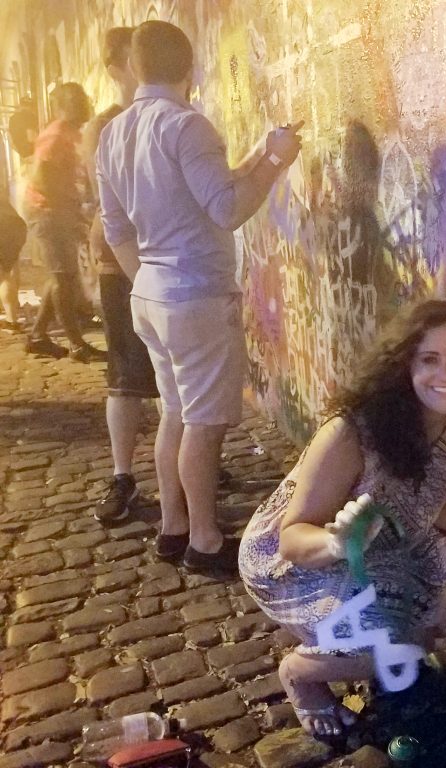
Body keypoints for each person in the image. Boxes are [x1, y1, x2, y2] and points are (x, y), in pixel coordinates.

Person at [239, 300, 446, 738]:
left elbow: (433, 508)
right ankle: (301, 673)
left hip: (389, 548)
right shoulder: (351, 431)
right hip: (299, 558)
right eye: (429, 359)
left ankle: (378, 649)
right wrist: (337, 541)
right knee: (390, 633)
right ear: (403, 365)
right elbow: (291, 539)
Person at [96, 21, 302, 573]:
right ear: (190, 66)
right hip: (197, 295)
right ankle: (206, 540)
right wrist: (279, 162)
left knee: (175, 414)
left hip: (152, 295)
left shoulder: (113, 134)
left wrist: (260, 154)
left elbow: (116, 228)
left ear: (137, 68)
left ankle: (174, 527)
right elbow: (228, 209)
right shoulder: (186, 126)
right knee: (203, 425)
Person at [82, 27, 160, 524]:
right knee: (127, 380)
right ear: (115, 68)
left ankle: (186, 464)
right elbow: (110, 215)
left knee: (175, 377)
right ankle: (122, 476)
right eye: (130, 60)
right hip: (124, 266)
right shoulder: (108, 125)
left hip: (165, 263)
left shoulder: (169, 115)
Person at [23, 82, 106, 361]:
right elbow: (40, 176)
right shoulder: (56, 134)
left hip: (55, 212)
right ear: (65, 105)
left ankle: (37, 336)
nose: (84, 104)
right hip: (47, 213)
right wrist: (65, 208)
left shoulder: (69, 133)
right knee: (63, 278)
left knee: (61, 275)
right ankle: (75, 344)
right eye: (77, 100)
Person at [0, 195, 27, 331]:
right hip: (15, 224)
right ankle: (13, 307)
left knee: (4, 276)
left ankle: (11, 320)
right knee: (11, 268)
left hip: (3, 227)